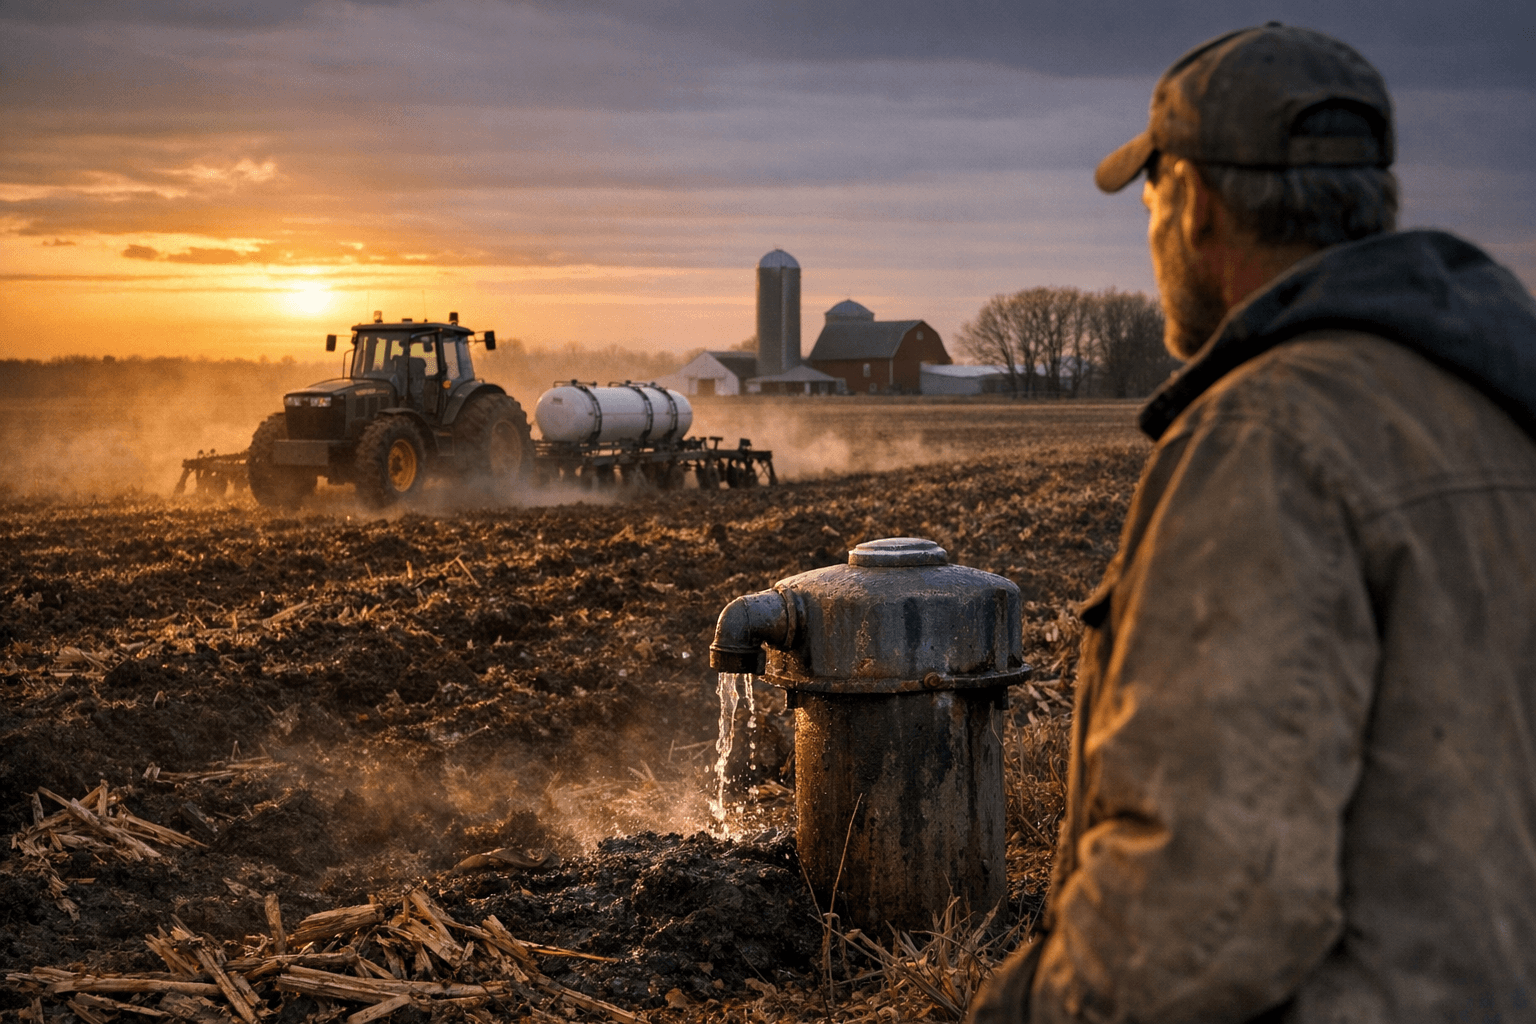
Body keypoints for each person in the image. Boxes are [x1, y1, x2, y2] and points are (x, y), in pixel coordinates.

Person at [970, 23, 1536, 1024]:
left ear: (1192, 202)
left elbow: (1208, 909)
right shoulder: (1491, 406)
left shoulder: (1270, 437)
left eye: (1149, 196)